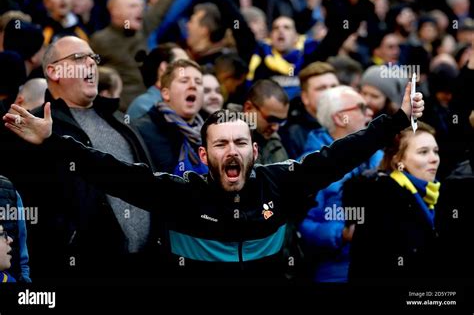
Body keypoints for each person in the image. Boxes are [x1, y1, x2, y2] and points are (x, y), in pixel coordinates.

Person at [3, 75, 424, 282]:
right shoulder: (180, 194)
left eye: (240, 143)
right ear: (204, 156)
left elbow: (341, 153)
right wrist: (53, 140)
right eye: (221, 145)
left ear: (254, 151)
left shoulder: (281, 182)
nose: (232, 152)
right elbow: (110, 172)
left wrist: (399, 119)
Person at [2, 36, 154, 279]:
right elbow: (26, 207)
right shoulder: (32, 127)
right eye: (78, 58)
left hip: (143, 266)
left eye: (93, 57)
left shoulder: (121, 120)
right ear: (53, 71)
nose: (91, 63)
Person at [299, 86, 383, 282]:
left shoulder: (381, 156)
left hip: (380, 264)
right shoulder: (309, 165)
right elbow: (301, 225)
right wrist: (342, 234)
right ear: (339, 118)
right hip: (335, 270)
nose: (370, 112)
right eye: (361, 107)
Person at [90, 0, 192, 111]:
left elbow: (166, 0)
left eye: (141, 6)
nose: (139, 10)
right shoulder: (99, 40)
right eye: (132, 6)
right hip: (117, 112)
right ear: (114, 10)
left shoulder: (144, 27)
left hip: (150, 109)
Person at [345, 122, 442, 281]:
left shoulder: (432, 195)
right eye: (423, 152)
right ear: (398, 160)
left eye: (436, 151)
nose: (434, 159)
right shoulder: (382, 200)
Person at [132, 59, 208, 175]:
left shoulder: (209, 133)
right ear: (166, 93)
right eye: (184, 81)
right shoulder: (140, 130)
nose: (193, 86)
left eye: (198, 82)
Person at [279, 62, 340, 159]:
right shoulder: (292, 133)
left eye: (334, 86)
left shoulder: (352, 119)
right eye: (322, 88)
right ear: (305, 97)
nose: (331, 92)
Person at [126, 43, 188, 120]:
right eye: (183, 66)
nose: (189, 71)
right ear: (164, 67)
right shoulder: (145, 105)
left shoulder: (184, 105)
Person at [242, 79, 289, 164]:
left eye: (281, 121)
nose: (276, 127)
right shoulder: (223, 137)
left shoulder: (275, 144)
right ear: (248, 108)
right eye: (271, 119)